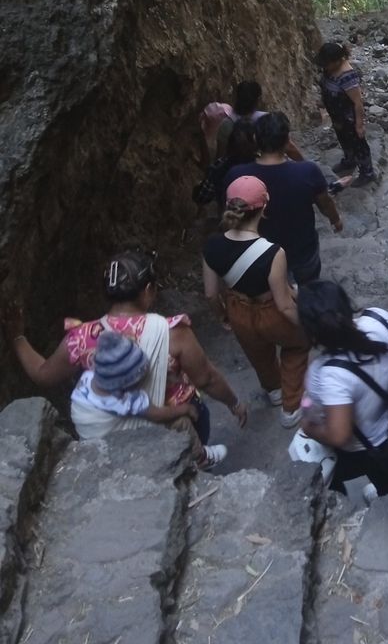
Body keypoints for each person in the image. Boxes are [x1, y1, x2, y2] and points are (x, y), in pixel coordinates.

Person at [10, 250, 244, 467]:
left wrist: (17, 336)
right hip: (171, 421)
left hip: (114, 439)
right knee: (193, 425)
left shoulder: (81, 337)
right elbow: (207, 379)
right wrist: (234, 403)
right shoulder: (173, 332)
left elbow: (42, 374)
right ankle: (199, 461)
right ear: (149, 290)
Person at [202, 174, 310, 428]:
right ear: (263, 209)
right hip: (270, 311)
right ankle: (291, 407)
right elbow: (283, 303)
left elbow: (210, 293)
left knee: (257, 352)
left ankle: (274, 390)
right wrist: (309, 326)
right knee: (297, 346)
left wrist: (223, 315)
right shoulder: (273, 252)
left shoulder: (212, 245)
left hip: (238, 310)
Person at [297, 280, 388, 497]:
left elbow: (339, 435)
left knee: (336, 471)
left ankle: (377, 496)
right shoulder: (378, 318)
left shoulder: (325, 374)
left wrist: (308, 427)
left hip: (372, 446)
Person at [225, 113, 343, 284]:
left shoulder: (236, 175)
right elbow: (324, 203)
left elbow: (228, 214)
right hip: (301, 249)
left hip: (257, 253)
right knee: (307, 289)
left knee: (271, 296)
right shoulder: (308, 171)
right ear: (288, 140)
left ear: (256, 138)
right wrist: (335, 219)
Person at [70, 330, 209, 450]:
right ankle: (201, 457)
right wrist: (186, 409)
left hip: (87, 437)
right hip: (114, 444)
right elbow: (160, 415)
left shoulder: (86, 378)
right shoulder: (128, 401)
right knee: (181, 422)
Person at [317, 41, 376, 187]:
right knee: (342, 138)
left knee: (358, 144)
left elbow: (358, 102)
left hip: (349, 117)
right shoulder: (329, 70)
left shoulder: (347, 76)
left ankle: (367, 172)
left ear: (337, 61)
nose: (324, 66)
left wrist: (359, 125)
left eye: (327, 63)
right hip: (337, 115)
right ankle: (350, 161)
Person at [215, 81, 303, 161]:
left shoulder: (225, 125)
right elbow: (290, 148)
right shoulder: (267, 121)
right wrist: (305, 164)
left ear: (236, 97)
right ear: (258, 99)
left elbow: (220, 156)